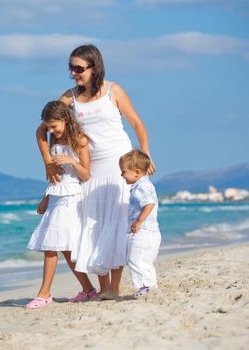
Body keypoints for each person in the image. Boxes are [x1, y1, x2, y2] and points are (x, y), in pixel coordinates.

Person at [36, 44, 155, 298]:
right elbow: (43, 129)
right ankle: (102, 288)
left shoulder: (113, 90)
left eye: (79, 68)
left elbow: (137, 123)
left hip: (118, 165)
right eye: (71, 68)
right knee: (93, 226)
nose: (73, 73)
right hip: (88, 170)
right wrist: (48, 162)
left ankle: (114, 287)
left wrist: (144, 156)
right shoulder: (68, 97)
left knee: (116, 223)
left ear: (94, 67)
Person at [26, 100, 97, 309]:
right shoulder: (52, 139)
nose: (52, 131)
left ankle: (44, 294)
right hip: (56, 196)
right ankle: (88, 290)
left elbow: (86, 175)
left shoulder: (79, 140)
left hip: (71, 198)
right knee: (65, 249)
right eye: (48, 128)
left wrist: (72, 162)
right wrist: (46, 197)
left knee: (51, 247)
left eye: (55, 127)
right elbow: (55, 177)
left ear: (65, 120)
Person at [119, 149, 161, 297]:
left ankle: (146, 286)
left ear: (136, 172)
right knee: (145, 260)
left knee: (135, 259)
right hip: (151, 231)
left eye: (123, 172)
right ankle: (151, 286)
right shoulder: (144, 185)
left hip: (143, 231)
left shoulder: (141, 187)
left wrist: (138, 222)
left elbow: (149, 204)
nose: (121, 175)